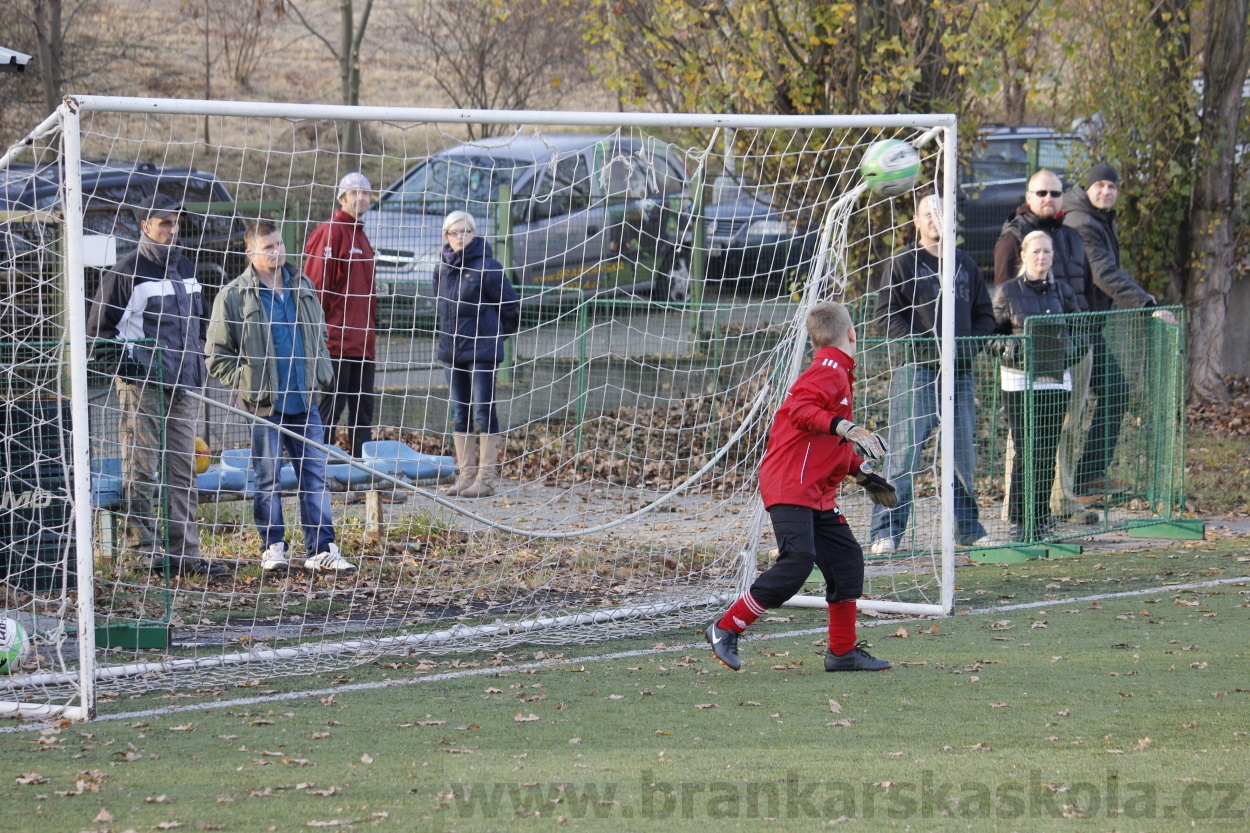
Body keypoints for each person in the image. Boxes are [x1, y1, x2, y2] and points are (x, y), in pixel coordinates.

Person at [705, 302, 897, 673]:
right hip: (791, 484)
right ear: (852, 334)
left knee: (846, 563)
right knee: (797, 563)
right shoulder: (829, 369)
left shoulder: (836, 371)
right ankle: (725, 628)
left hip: (815, 491)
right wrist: (846, 428)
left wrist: (861, 473)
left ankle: (841, 653)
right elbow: (802, 410)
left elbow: (821, 442)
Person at [204, 221, 358, 575]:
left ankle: (321, 549)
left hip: (305, 404)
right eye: (268, 247)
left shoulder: (302, 286)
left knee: (315, 477)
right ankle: (273, 548)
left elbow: (319, 337)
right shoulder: (233, 295)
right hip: (264, 408)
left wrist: (321, 374)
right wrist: (247, 382)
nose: (277, 252)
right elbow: (215, 355)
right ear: (250, 253)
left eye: (279, 244)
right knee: (268, 478)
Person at [86, 193, 226, 578]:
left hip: (183, 386)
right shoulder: (126, 271)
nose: (172, 229)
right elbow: (99, 334)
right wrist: (133, 372)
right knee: (142, 470)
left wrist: (196, 367)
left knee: (183, 471)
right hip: (142, 386)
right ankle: (143, 552)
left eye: (175, 222)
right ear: (145, 226)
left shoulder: (184, 266)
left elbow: (194, 326)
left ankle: (186, 555)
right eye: (164, 223)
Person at [869, 194, 997, 554]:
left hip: (959, 375)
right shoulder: (902, 263)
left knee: (962, 457)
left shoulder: (966, 264)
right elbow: (885, 314)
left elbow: (985, 316)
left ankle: (968, 529)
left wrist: (969, 346)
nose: (935, 220)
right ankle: (886, 532)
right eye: (929, 214)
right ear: (917, 221)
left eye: (942, 214)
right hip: (917, 374)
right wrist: (918, 346)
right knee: (903, 458)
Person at [1063, 163, 1177, 501]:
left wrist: (1143, 297)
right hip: (1073, 329)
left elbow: (1111, 270)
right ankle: (1069, 487)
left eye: (1112, 187)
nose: (1106, 192)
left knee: (1111, 392)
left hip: (1088, 327)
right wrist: (1144, 304)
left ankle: (1087, 477)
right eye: (1099, 185)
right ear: (1087, 189)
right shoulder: (1082, 221)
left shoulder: (1099, 219)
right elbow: (1104, 273)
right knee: (1074, 408)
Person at [993, 169, 1091, 520]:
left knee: (1057, 435)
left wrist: (1073, 348)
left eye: (1055, 192)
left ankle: (1051, 509)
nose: (1049, 198)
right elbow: (997, 322)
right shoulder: (1011, 243)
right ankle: (1017, 513)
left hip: (1062, 364)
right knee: (1023, 444)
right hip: (1022, 372)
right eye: (1042, 192)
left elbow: (1082, 303)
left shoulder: (1070, 239)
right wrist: (1015, 350)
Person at [435, 211, 520, 498]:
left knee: (484, 411)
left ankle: (486, 479)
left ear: (474, 234)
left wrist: (493, 337)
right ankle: (466, 476)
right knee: (460, 413)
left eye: (466, 231)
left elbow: (511, 308)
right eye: (454, 232)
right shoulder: (442, 270)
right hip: (452, 352)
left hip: (481, 352)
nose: (461, 237)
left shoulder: (490, 268)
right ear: (446, 236)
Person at [303, 172, 378, 458]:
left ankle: (362, 476)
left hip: (363, 345)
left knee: (363, 413)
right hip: (335, 344)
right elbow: (315, 289)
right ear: (342, 198)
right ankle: (317, 470)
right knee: (330, 408)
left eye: (366, 193)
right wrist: (317, 337)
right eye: (355, 192)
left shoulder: (362, 235)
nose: (361, 197)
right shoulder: (330, 232)